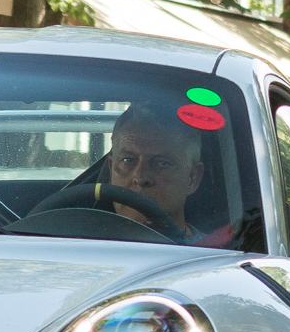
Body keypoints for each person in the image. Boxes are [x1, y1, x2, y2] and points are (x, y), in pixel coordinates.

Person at [97, 104, 234, 245]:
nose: (141, 177)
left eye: (162, 163)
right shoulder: (79, 243)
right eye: (128, 160)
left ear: (193, 178)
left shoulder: (213, 257)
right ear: (111, 168)